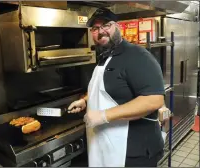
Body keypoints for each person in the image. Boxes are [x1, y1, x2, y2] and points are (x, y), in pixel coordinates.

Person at [68, 7, 166, 167]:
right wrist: (85, 100)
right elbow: (109, 87)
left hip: (135, 151)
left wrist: (103, 116)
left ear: (117, 26)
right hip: (107, 145)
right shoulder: (105, 56)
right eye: (95, 28)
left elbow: (154, 100)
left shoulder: (137, 56)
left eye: (106, 25)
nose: (100, 31)